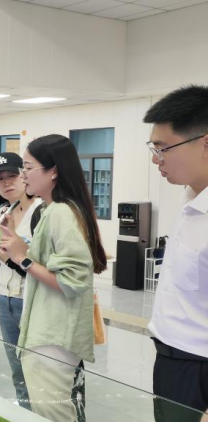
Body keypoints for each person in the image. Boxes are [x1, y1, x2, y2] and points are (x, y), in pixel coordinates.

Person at [0, 134, 107, 422]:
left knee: (53, 412)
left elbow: (71, 281)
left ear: (53, 171)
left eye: (27, 168)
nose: (23, 176)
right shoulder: (54, 209)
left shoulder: (61, 212)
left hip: (53, 332)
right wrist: (16, 247)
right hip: (48, 327)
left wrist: (22, 258)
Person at [142, 85, 208, 422]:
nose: (156, 159)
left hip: (199, 370)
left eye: (163, 148)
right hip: (172, 361)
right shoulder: (190, 201)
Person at [0, 152, 42, 411]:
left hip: (32, 300)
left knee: (40, 370)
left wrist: (9, 257)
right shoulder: (3, 212)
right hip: (5, 299)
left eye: (12, 176)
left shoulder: (41, 211)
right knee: (18, 370)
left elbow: (38, 265)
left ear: (24, 176)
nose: (6, 183)